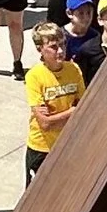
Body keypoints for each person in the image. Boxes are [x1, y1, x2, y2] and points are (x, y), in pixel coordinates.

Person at [22, 22, 85, 188]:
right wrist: (72, 111)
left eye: (63, 44)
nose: (61, 51)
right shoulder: (34, 76)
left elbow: (84, 110)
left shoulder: (74, 69)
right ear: (40, 49)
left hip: (67, 145)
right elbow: (45, 124)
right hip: (41, 148)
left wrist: (58, 116)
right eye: (53, 47)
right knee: (37, 195)